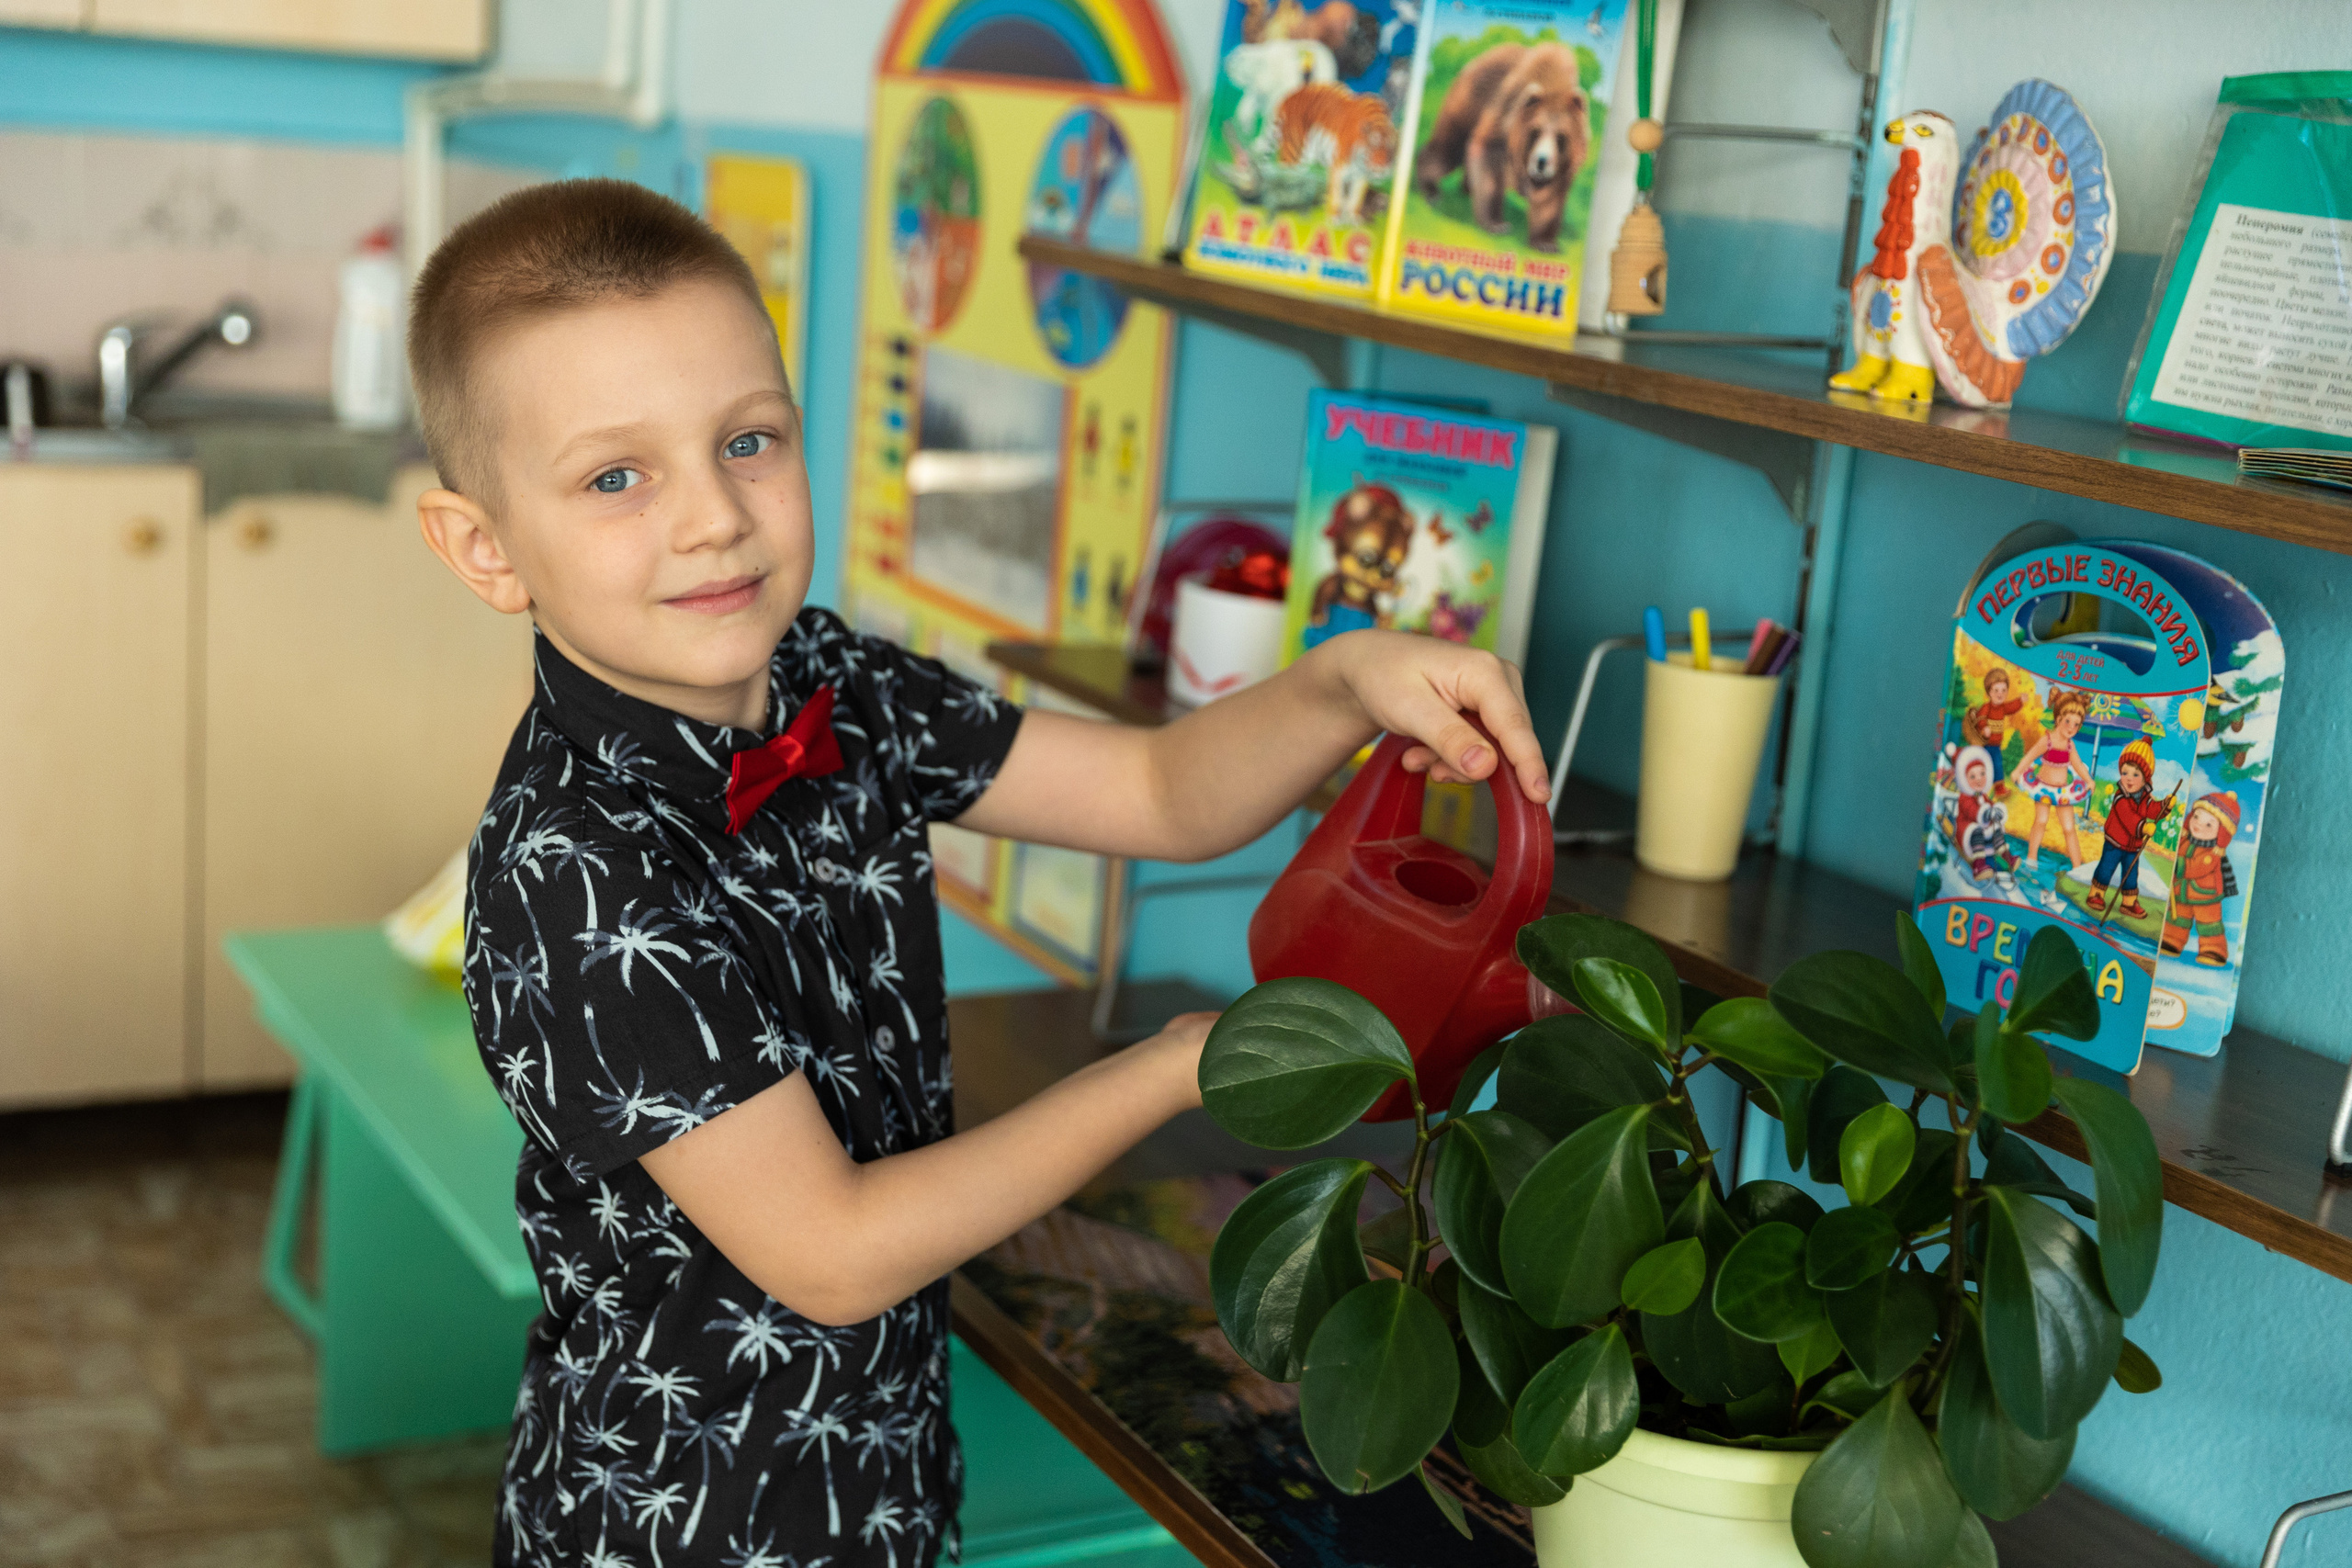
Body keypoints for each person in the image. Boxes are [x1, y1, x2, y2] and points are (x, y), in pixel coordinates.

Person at [406, 180, 1551, 1568]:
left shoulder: (829, 678)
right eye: (615, 477)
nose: (714, 518)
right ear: (484, 548)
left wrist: (1342, 679)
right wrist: (1173, 1068)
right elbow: (833, 1253)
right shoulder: (574, 876)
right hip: (682, 1525)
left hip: (885, 1475)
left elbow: (1159, 792)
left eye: (748, 441)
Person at [2086, 739, 2174, 920]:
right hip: (2115, 842)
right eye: (2125, 772)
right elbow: (2128, 818)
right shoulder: (2121, 797)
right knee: (2106, 867)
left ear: (2145, 778)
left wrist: (2165, 805)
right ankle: (2096, 893)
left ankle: (2129, 902)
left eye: (2135, 774)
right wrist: (2144, 827)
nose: (2128, 778)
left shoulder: (2145, 798)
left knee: (2131, 874)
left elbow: (2153, 810)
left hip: (2133, 846)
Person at [2010, 687, 2092, 871]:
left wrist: (2089, 780)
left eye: (2076, 724)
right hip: (2043, 788)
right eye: (2068, 721)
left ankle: (2077, 867)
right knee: (2041, 820)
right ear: (2058, 719)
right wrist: (2017, 771)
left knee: (2069, 828)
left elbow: (2078, 765)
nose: (2071, 727)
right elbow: (2030, 757)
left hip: (2062, 791)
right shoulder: (2046, 740)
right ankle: (2032, 857)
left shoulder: (2070, 746)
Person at [2161, 793, 2241, 965]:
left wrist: (2177, 864)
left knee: (2209, 924)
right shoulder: (2185, 841)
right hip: (2181, 891)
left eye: (2209, 824)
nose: (2198, 824)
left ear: (2222, 833)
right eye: (2196, 817)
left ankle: (2213, 949)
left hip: (2205, 895)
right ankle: (2171, 939)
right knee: (2177, 917)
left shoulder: (2212, 854)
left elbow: (2196, 868)